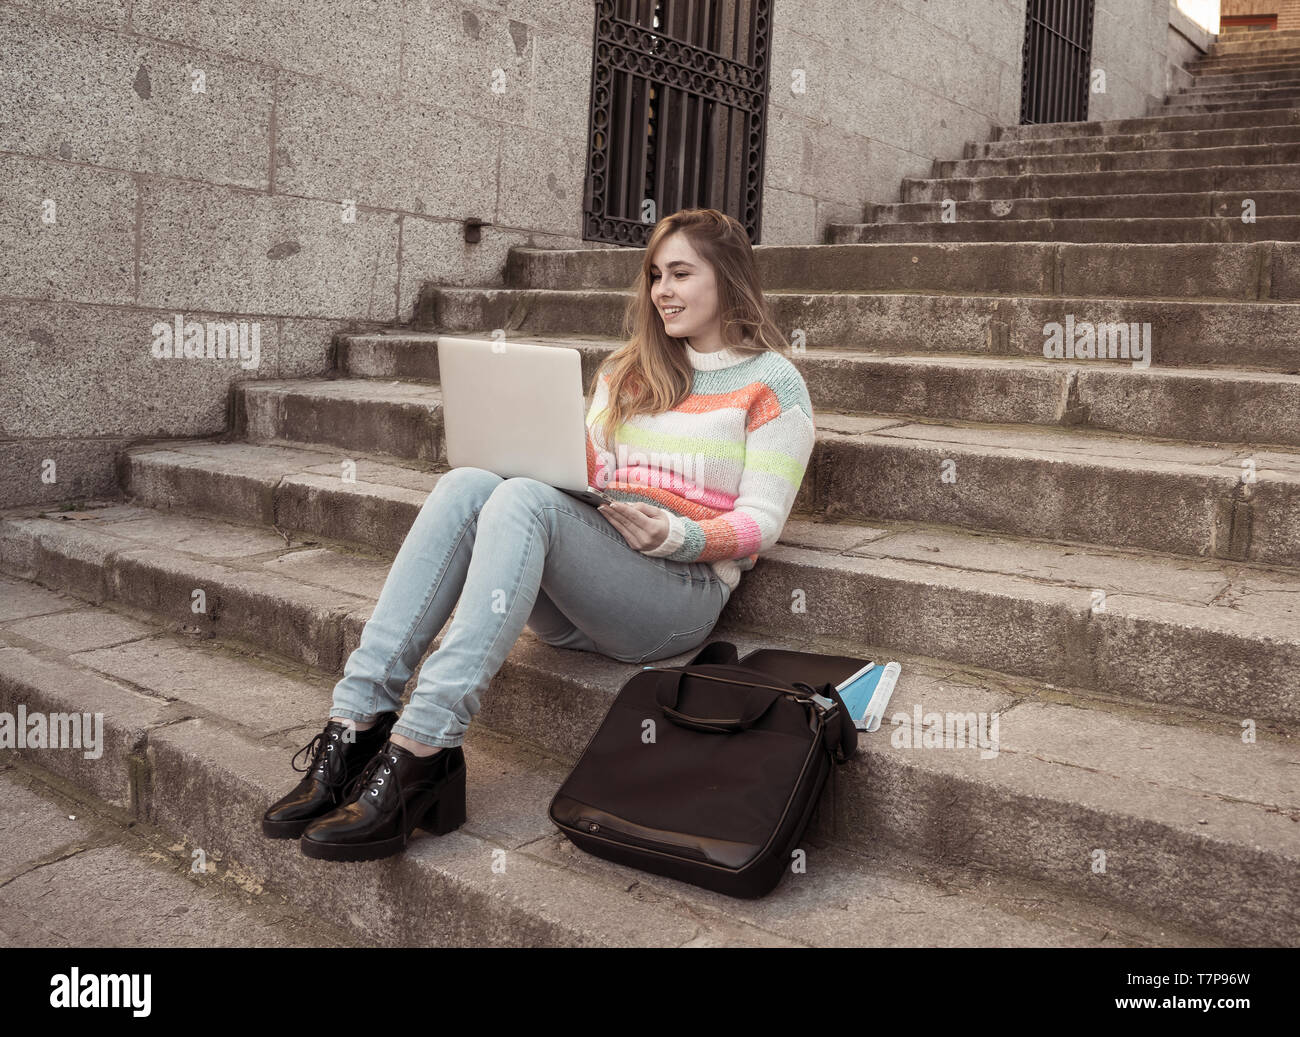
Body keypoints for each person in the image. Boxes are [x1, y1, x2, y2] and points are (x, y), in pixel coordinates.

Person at [260, 208, 817, 862]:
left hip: (674, 597)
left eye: (681, 273)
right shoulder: (629, 372)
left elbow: (762, 523)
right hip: (587, 582)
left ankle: (421, 751)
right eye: (655, 275)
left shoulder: (774, 383)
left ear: (727, 277)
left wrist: (675, 534)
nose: (661, 289)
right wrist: (572, 471)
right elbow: (578, 468)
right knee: (469, 483)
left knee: (524, 499)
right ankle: (355, 724)